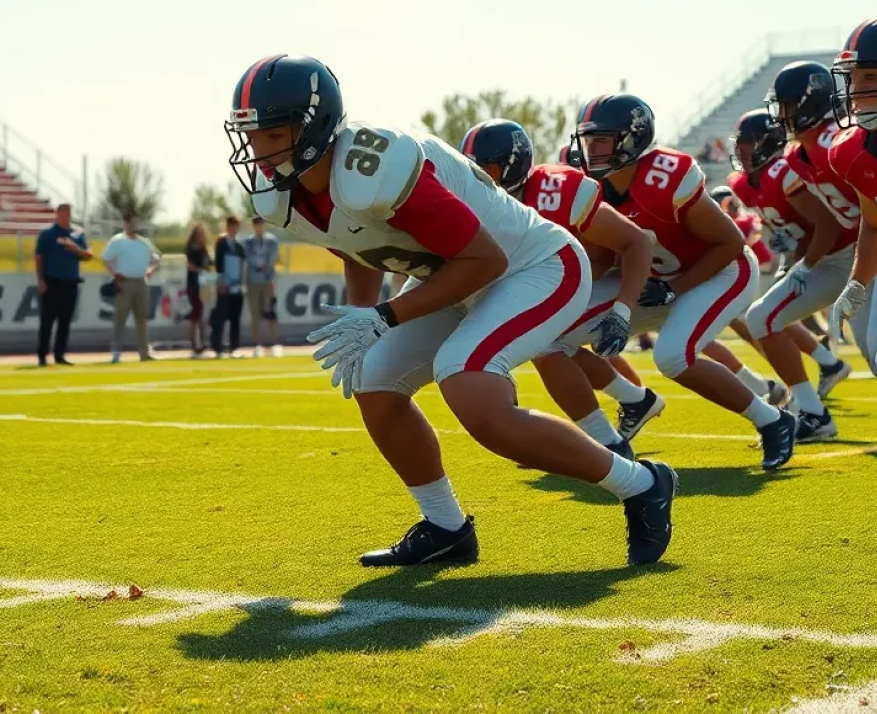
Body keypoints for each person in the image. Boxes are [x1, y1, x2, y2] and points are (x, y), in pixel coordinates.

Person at [226, 54, 676, 568]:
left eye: (270, 135)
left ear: (312, 127)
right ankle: (445, 527)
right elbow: (357, 248)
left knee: (469, 386)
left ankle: (641, 484)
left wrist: (385, 317)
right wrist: (361, 320)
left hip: (536, 267)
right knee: (374, 381)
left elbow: (486, 259)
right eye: (250, 135)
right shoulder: (293, 190)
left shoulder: (376, 166)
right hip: (461, 279)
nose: (257, 151)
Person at [565, 94, 795, 470]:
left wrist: (677, 287)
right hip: (653, 280)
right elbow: (604, 255)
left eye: (601, 140)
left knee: (672, 356)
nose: (591, 150)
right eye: (587, 140)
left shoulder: (663, 176)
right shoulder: (592, 187)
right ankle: (630, 405)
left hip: (720, 272)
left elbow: (730, 243)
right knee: (555, 333)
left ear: (631, 139)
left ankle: (773, 421)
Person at [460, 118, 661, 453]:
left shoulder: (552, 192)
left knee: (545, 345)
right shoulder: (485, 204)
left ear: (512, 168)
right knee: (546, 341)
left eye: (487, 171)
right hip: (564, 279)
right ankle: (634, 400)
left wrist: (621, 311)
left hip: (611, 275)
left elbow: (636, 242)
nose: (477, 180)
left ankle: (607, 441)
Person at [739, 67, 864, 441]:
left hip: (861, 253)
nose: (782, 116)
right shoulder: (796, 154)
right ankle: (811, 411)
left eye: (789, 106)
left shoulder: (830, 143)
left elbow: (828, 221)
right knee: (761, 318)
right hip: (837, 259)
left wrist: (802, 264)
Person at [829, 15, 877, 405]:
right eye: (853, 79)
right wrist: (857, 283)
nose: (855, 92)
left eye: (869, 78)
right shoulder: (853, 151)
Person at [34, 203, 92, 367]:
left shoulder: (77, 233)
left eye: (69, 214)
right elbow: (39, 257)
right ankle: (42, 354)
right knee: (47, 320)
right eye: (63, 214)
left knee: (65, 320)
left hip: (71, 281)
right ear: (57, 215)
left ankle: (60, 354)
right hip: (51, 280)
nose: (67, 217)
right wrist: (40, 280)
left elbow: (88, 255)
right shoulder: (47, 234)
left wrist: (75, 248)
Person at [102, 213, 160, 363]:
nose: (133, 226)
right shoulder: (118, 240)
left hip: (141, 281)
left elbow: (155, 258)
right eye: (130, 223)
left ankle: (144, 352)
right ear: (125, 224)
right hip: (124, 282)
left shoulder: (143, 242)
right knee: (120, 318)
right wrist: (115, 274)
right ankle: (116, 351)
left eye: (135, 223)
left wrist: (150, 270)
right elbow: (106, 258)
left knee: (141, 319)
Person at [245, 215, 281, 357]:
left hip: (268, 280)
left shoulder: (271, 241)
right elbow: (248, 258)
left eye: (261, 224)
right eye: (256, 224)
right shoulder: (248, 242)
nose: (259, 227)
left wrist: (265, 266)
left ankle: (274, 343)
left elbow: (273, 258)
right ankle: (257, 344)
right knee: (255, 313)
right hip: (253, 280)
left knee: (270, 311)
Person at [210, 216, 246, 356]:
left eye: (236, 226)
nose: (234, 229)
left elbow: (243, 265)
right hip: (224, 284)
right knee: (221, 316)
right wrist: (220, 281)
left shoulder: (239, 245)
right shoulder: (221, 243)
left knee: (235, 317)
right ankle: (217, 347)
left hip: (237, 285)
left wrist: (242, 284)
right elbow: (218, 264)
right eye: (231, 225)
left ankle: (234, 347)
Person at [184, 222, 211, 355]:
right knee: (194, 314)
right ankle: (194, 344)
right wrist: (200, 270)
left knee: (201, 314)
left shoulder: (204, 249)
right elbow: (189, 265)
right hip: (193, 284)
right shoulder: (190, 248)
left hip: (204, 284)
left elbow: (209, 264)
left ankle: (203, 342)